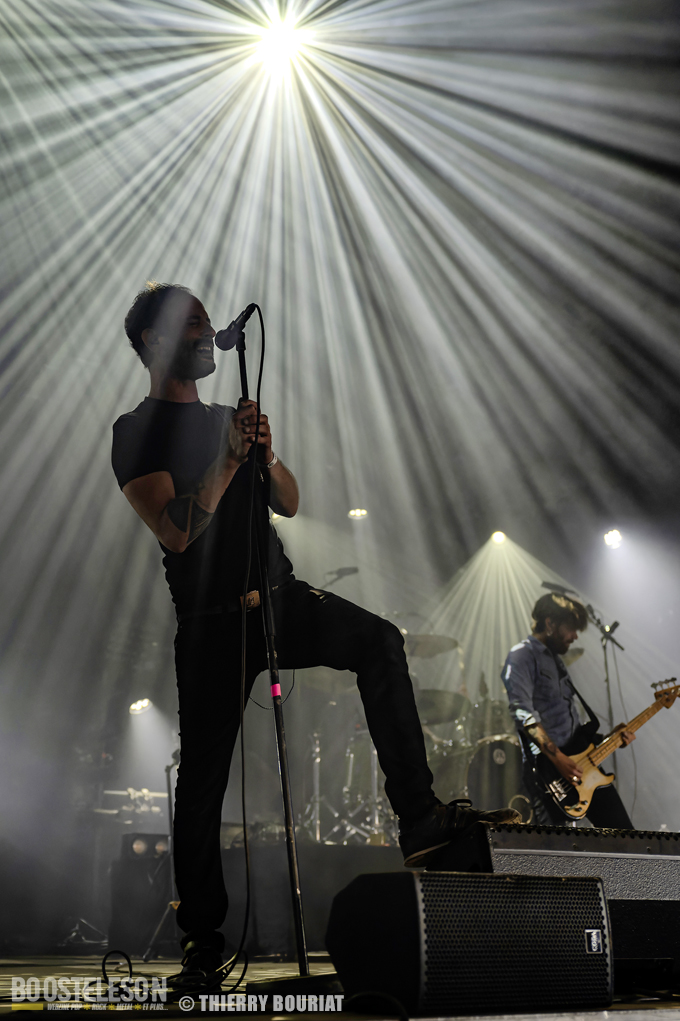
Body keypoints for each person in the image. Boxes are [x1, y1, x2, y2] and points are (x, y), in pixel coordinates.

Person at [112, 282, 520, 985]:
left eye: (208, 322)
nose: (207, 334)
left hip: (280, 597)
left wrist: (265, 452)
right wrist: (229, 460)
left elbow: (291, 502)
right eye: (192, 323)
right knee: (203, 779)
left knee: (381, 640)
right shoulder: (135, 430)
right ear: (153, 339)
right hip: (211, 624)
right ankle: (203, 942)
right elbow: (177, 532)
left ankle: (419, 819)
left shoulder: (227, 417)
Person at [501, 592, 635, 828]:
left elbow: (570, 729)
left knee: (627, 838)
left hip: (582, 765)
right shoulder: (522, 655)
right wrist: (558, 758)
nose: (575, 636)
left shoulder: (556, 660)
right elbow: (522, 712)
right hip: (547, 773)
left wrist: (610, 739)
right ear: (550, 624)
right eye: (571, 628)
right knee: (556, 847)